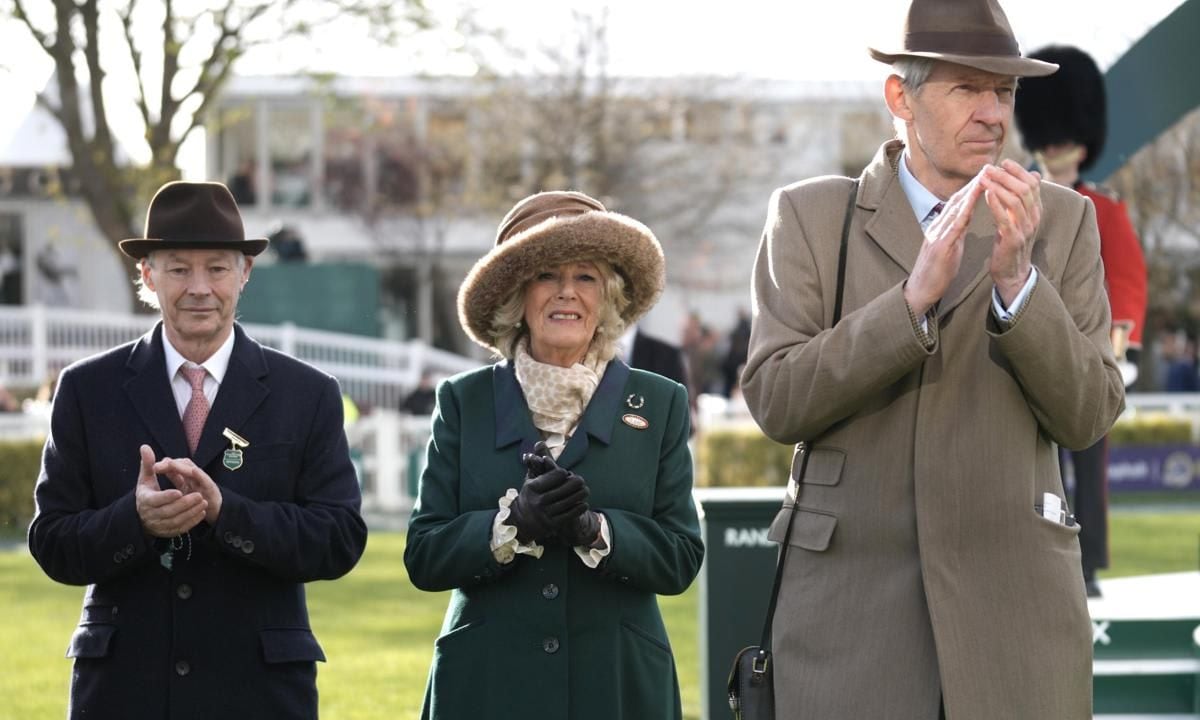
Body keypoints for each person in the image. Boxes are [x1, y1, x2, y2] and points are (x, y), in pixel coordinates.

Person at [739, 1, 1125, 718]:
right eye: (966, 88)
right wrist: (907, 307)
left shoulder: (1064, 221)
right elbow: (776, 400)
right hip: (851, 630)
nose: (992, 114)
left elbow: (1089, 415)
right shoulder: (811, 216)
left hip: (1017, 628)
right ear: (900, 98)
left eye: (1004, 91)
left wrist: (1019, 286)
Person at [27, 181, 367, 719]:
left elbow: (339, 539)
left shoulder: (308, 393)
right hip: (123, 692)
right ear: (148, 275)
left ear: (245, 273)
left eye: (217, 267)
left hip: (259, 694)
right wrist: (133, 521)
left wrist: (227, 513)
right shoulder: (86, 389)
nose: (200, 287)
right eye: (179, 268)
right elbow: (51, 541)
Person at [404, 190, 704, 720]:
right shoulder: (462, 401)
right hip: (488, 685)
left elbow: (681, 557)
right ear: (516, 296)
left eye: (585, 277)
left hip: (617, 686)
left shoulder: (660, 403)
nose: (566, 293)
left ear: (608, 297)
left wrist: (595, 530)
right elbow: (425, 555)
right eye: (546, 275)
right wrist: (512, 524)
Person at [1014, 44, 1149, 597]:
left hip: (1087, 349)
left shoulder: (1104, 208)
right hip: (1029, 341)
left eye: (1064, 142)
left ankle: (1087, 563)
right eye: (1050, 143)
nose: (1057, 152)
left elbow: (1125, 282)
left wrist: (1118, 348)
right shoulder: (1020, 195)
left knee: (1088, 464)